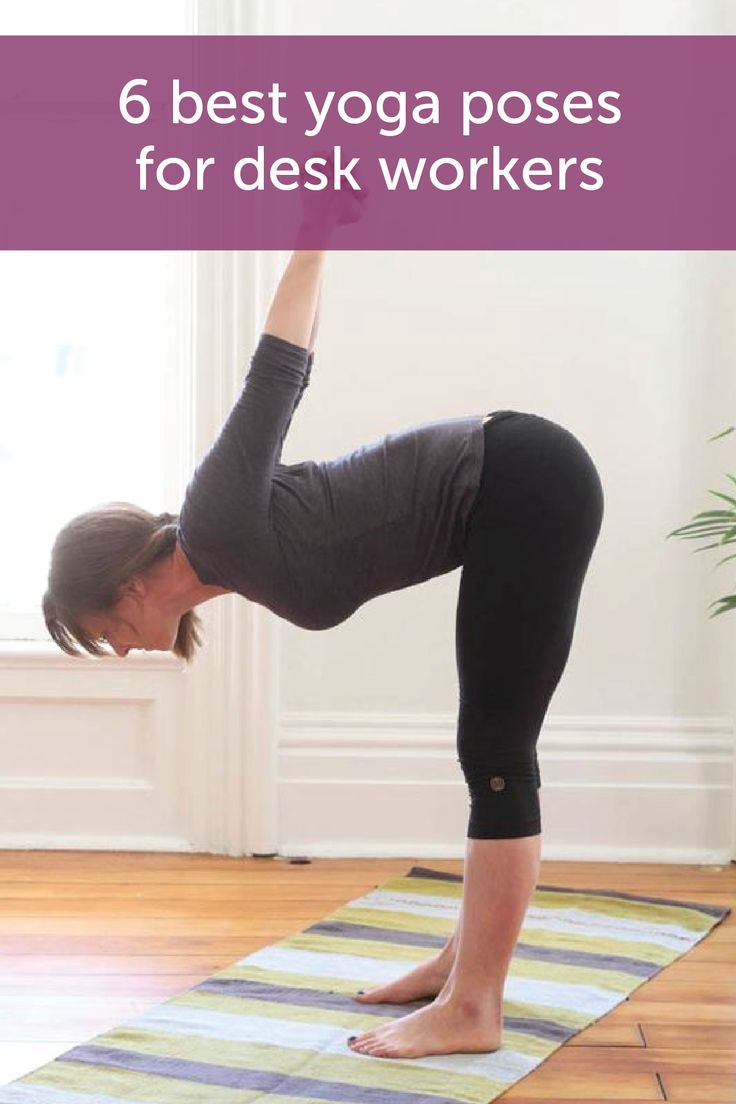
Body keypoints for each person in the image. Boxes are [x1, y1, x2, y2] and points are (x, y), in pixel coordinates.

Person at [43, 199, 604, 1064]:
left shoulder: (214, 518)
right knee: (490, 745)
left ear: (124, 585)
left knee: (495, 752)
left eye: (102, 630)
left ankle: (473, 1008)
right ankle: (461, 967)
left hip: (524, 479)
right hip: (514, 486)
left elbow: (278, 371)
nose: (117, 649)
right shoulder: (227, 559)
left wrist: (315, 234)